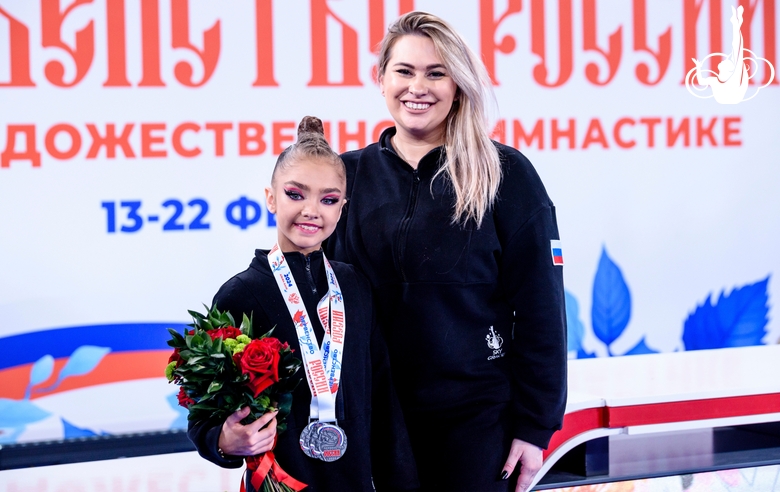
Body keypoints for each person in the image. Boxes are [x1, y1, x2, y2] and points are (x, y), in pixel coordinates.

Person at [325, 11, 567, 492]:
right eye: (405, 71)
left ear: (458, 85)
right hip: (370, 419)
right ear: (381, 80)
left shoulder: (505, 174)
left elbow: (541, 307)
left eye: (436, 73)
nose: (419, 87)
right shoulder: (344, 177)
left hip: (474, 423)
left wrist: (534, 426)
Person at [188, 117, 419, 492]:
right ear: (271, 197)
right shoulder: (238, 296)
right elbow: (204, 410)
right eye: (296, 194)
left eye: (327, 200)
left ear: (342, 208)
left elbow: (383, 394)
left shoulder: (356, 287)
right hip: (280, 483)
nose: (312, 210)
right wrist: (222, 441)